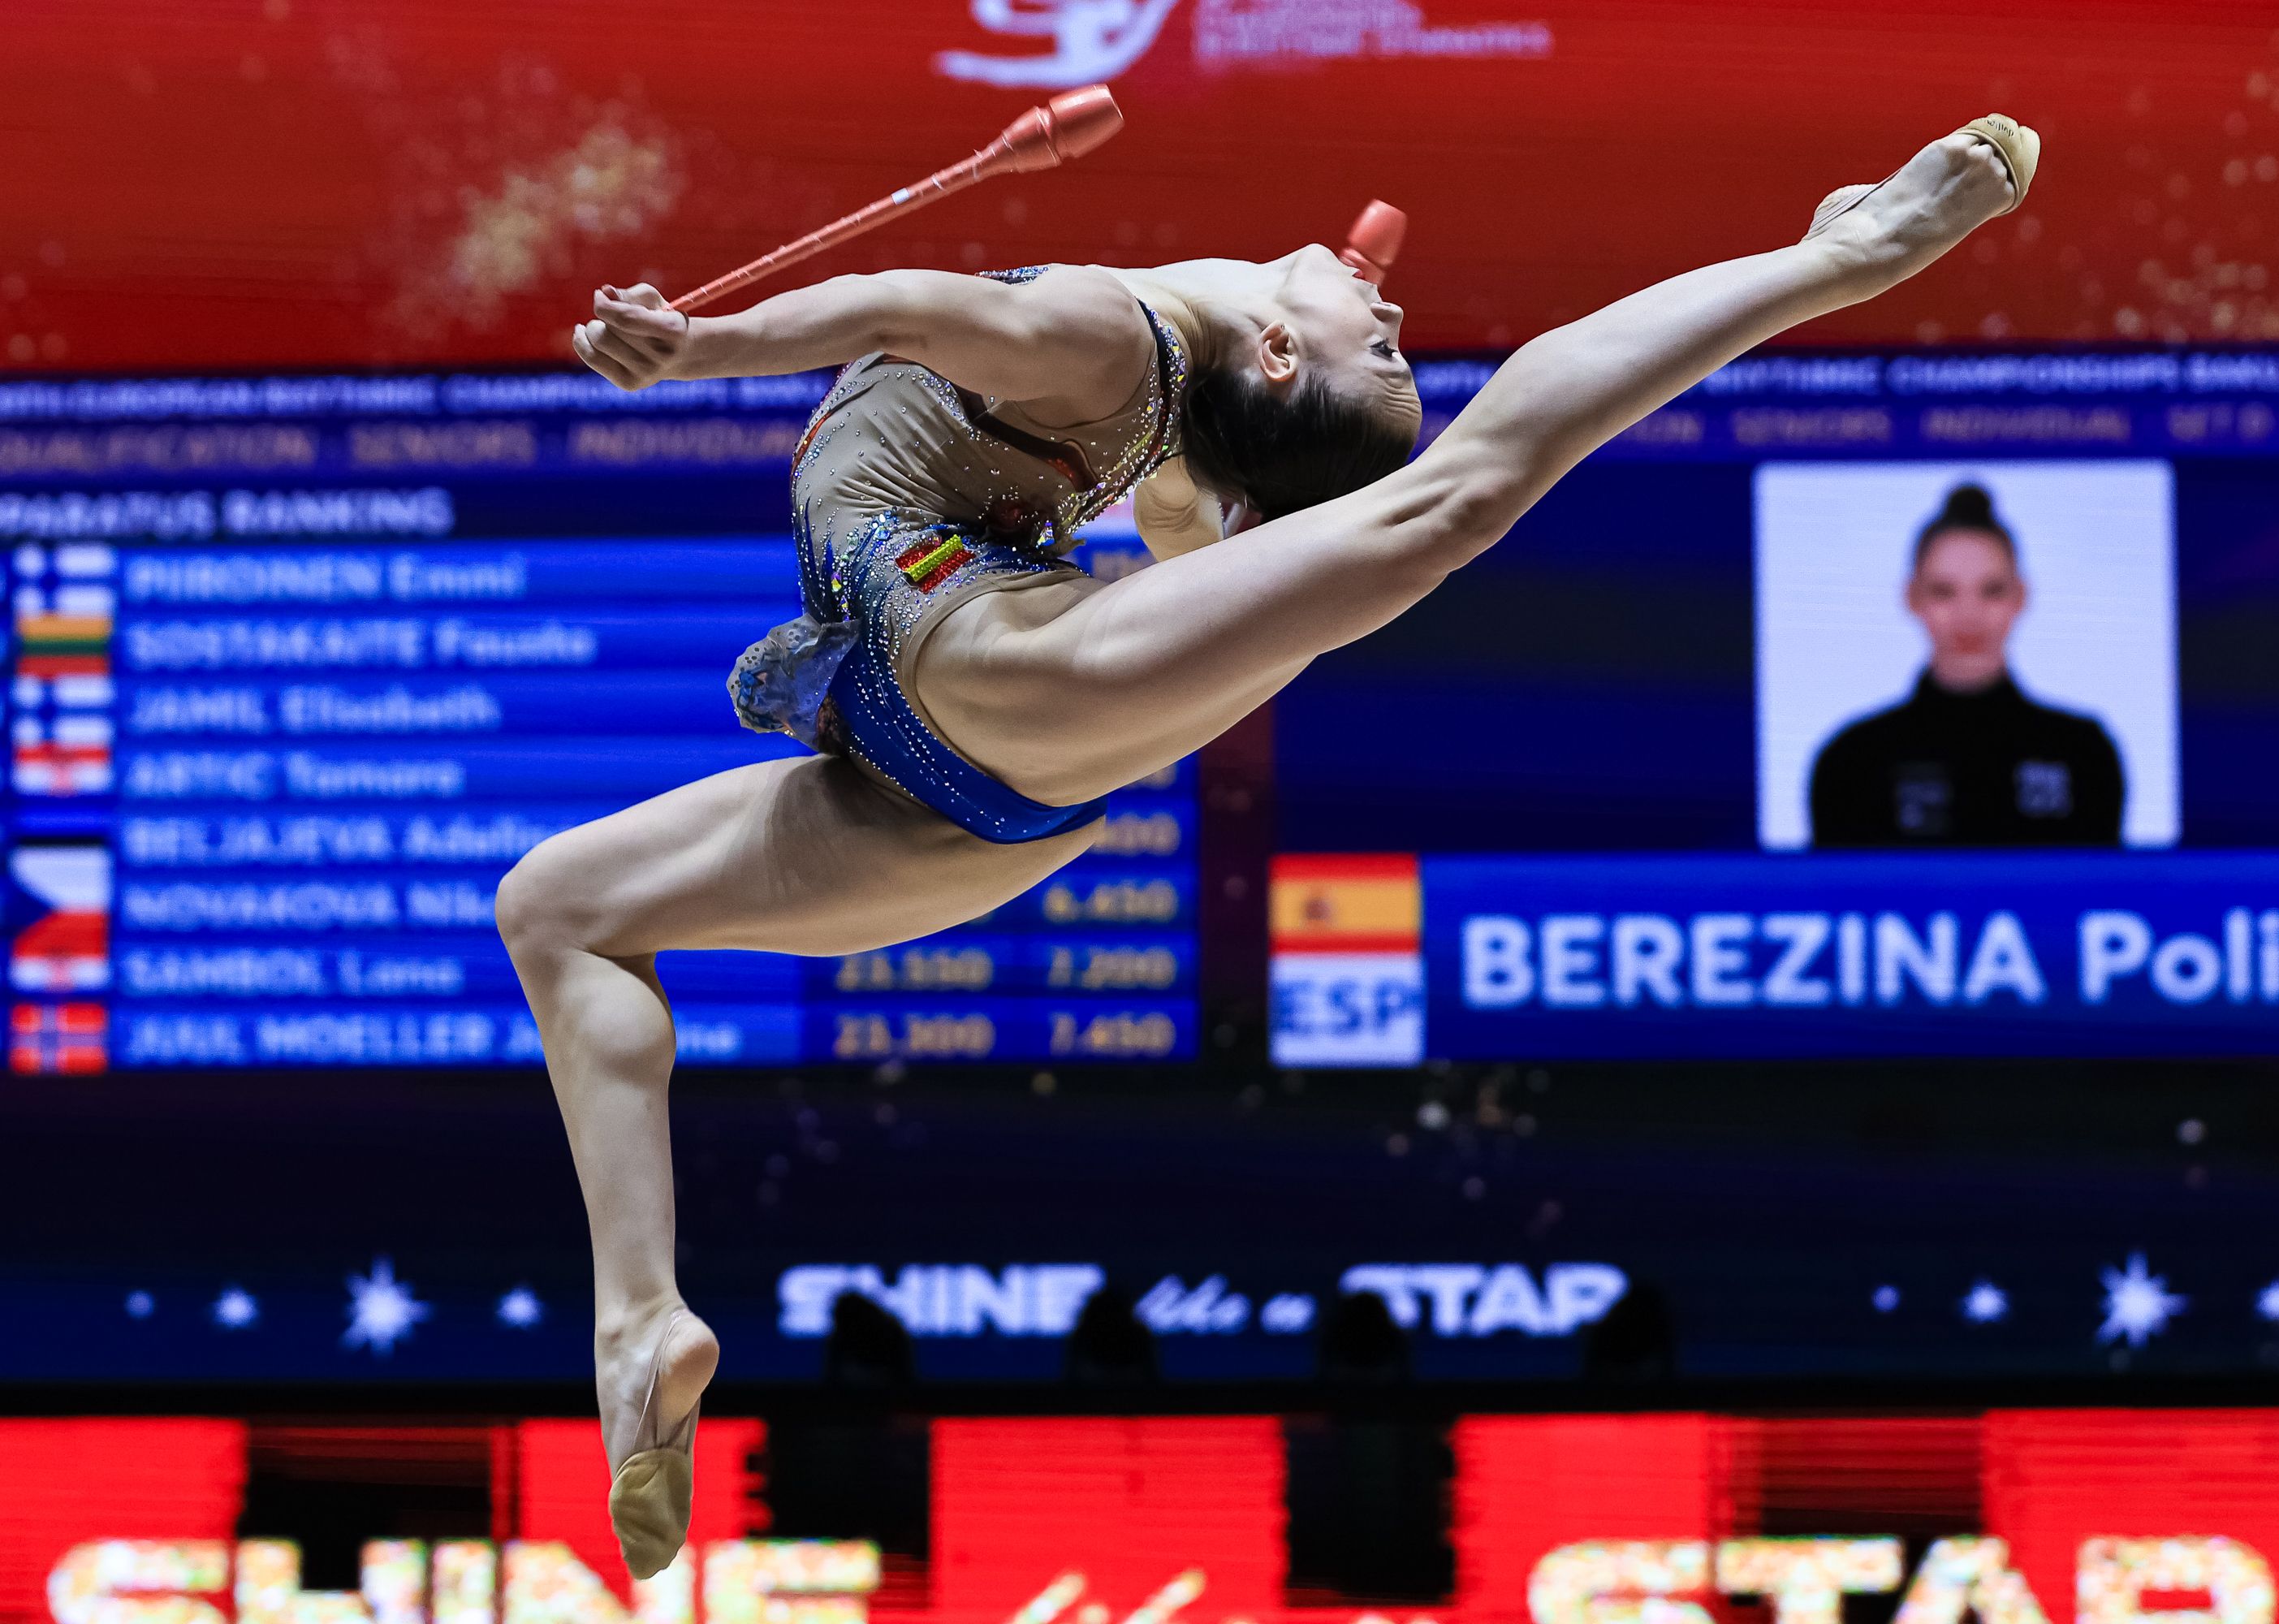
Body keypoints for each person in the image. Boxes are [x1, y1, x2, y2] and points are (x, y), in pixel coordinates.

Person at [501, 115, 2039, 1577]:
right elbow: (1200, 537)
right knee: (557, 906)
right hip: (967, 804)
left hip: (994, 674)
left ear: (1283, 353)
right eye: (1392, 337)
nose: (1390, 300)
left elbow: (907, 301)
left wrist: (701, 347)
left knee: (1453, 502)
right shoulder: (1174, 424)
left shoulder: (1112, 331)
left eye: (1379, 340)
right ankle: (638, 1321)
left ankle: (1852, 253)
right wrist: (1260, 542)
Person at [1806, 481, 2124, 846]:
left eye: (1991, 591)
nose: (1968, 617)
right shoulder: (1852, 762)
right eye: (1944, 592)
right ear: (1913, 597)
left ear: (2020, 596)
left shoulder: (2082, 753)